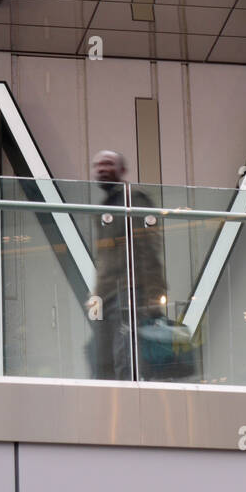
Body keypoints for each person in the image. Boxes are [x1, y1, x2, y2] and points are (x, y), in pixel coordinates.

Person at [86, 149, 169, 380]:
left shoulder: (133, 200)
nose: (101, 169)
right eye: (98, 165)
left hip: (129, 291)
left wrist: (153, 295)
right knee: (103, 358)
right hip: (108, 295)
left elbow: (147, 250)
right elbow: (105, 259)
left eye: (108, 164)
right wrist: (96, 298)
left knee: (125, 357)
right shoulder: (107, 206)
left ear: (122, 170)